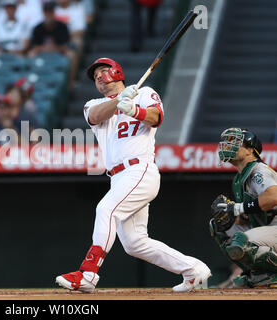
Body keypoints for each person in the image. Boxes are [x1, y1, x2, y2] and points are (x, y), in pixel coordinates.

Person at [55, 57, 211, 293]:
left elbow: (156, 117)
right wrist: (120, 101)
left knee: (106, 209)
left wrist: (134, 109)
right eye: (95, 77)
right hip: (117, 177)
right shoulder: (93, 103)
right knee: (135, 243)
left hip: (140, 169)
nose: (98, 78)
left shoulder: (145, 92)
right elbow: (96, 116)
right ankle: (193, 269)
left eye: (103, 72)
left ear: (117, 72)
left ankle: (88, 274)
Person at [209, 128, 277, 288]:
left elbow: (273, 196)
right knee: (218, 225)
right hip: (268, 229)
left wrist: (238, 208)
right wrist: (241, 214)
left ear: (249, 150)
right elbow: (257, 209)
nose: (228, 146)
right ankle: (258, 274)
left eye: (235, 143)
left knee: (242, 241)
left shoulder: (258, 170)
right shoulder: (240, 178)